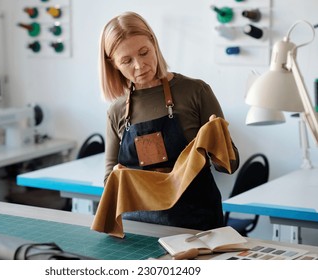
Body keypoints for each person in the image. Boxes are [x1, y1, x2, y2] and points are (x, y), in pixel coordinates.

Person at [98, 11, 239, 231]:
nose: (139, 65)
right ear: (113, 64)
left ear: (154, 44)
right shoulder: (116, 111)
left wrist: (218, 142)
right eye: (126, 61)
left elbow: (230, 166)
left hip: (197, 223)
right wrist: (119, 178)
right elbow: (109, 181)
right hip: (139, 226)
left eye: (144, 53)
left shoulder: (195, 91)